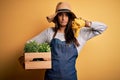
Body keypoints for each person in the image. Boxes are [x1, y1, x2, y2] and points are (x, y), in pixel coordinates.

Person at [27, 2, 107, 80]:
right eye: (60, 15)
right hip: (51, 77)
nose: (63, 18)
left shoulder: (79, 33)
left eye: (66, 15)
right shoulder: (49, 32)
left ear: (70, 17)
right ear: (56, 17)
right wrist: (42, 58)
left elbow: (103, 28)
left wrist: (86, 23)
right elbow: (29, 44)